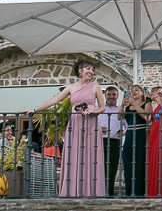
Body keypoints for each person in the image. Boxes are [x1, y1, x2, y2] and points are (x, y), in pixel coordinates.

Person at [27, 61, 106, 198]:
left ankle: (91, 191)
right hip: (75, 123)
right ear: (80, 71)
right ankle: (72, 190)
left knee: (91, 156)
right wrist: (35, 109)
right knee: (73, 155)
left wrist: (93, 112)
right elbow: (54, 100)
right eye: (88, 68)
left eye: (92, 69)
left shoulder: (96, 87)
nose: (91, 72)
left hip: (91, 123)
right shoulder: (71, 88)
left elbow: (102, 107)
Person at [120, 85, 149, 197]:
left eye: (136, 90)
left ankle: (140, 192)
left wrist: (135, 104)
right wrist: (123, 105)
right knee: (128, 161)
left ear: (142, 93)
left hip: (141, 134)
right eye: (132, 91)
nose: (133, 92)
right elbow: (119, 117)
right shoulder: (128, 106)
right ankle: (129, 191)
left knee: (140, 162)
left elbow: (146, 116)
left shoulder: (146, 104)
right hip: (130, 134)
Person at [99, 87, 125, 197]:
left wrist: (124, 131)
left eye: (113, 94)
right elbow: (92, 124)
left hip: (115, 141)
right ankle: (99, 192)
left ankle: (109, 193)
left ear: (117, 96)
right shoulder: (99, 108)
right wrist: (99, 129)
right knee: (99, 167)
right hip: (100, 141)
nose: (111, 97)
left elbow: (128, 125)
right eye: (109, 94)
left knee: (112, 168)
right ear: (105, 96)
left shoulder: (121, 109)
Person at [146, 86, 162, 198]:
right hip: (154, 135)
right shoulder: (156, 107)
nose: (151, 93)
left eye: (153, 91)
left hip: (161, 134)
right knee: (153, 162)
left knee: (160, 161)